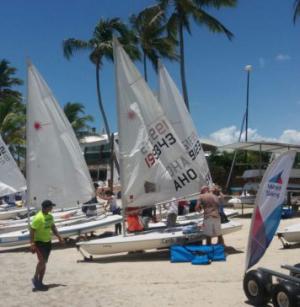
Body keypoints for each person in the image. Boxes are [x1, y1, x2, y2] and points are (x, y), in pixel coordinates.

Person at [30, 200, 64, 291]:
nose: (52, 208)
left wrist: (59, 237)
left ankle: (40, 282)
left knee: (44, 263)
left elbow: (53, 227)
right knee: (42, 261)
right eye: (51, 206)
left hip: (48, 242)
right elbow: (32, 230)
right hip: (39, 243)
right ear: (46, 207)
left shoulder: (50, 216)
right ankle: (35, 278)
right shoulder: (38, 217)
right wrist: (32, 243)